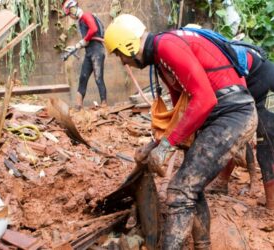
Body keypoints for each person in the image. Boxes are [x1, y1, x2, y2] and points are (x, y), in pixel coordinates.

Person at [104, 14, 257, 249]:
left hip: (231, 116)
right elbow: (183, 109)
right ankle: (202, 245)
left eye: (119, 54)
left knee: (179, 191)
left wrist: (167, 145)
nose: (123, 61)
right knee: (191, 186)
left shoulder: (167, 47)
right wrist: (158, 144)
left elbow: (204, 99)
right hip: (220, 116)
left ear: (129, 45)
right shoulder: (161, 58)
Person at [208, 47, 274, 209]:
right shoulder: (211, 52)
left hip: (265, 87)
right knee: (232, 134)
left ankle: (272, 205)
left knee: (266, 144)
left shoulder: (213, 57)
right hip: (250, 87)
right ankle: (222, 182)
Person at [62, 0, 107, 110]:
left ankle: (104, 105)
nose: (70, 17)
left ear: (72, 9)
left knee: (98, 78)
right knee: (83, 77)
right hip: (89, 52)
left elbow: (94, 29)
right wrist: (75, 46)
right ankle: (78, 105)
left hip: (97, 51)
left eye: (69, 14)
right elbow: (87, 39)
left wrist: (81, 42)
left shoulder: (86, 16)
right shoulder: (81, 21)